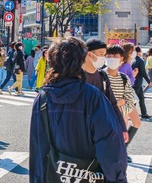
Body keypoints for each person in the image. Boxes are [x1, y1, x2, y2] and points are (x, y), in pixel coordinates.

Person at [28, 38, 128, 183]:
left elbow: (37, 149)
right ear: (80, 62)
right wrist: (119, 179)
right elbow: (110, 145)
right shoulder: (93, 96)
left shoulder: (42, 98)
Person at [82, 38, 128, 141]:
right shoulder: (78, 76)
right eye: (101, 54)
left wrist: (122, 127)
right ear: (89, 54)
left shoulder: (102, 76)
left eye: (104, 55)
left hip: (100, 129)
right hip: (82, 130)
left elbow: (112, 103)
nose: (103, 58)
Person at [105, 45, 140, 153]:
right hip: (105, 116)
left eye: (115, 56)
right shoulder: (100, 76)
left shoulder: (123, 78)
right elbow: (101, 100)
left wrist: (119, 108)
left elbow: (129, 100)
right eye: (109, 56)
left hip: (120, 113)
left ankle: (122, 149)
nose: (112, 58)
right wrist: (118, 103)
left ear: (122, 59)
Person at [132, 46, 150, 118]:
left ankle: (144, 113)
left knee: (141, 98)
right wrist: (149, 81)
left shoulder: (131, 60)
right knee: (134, 99)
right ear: (138, 52)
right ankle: (131, 114)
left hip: (133, 81)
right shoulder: (140, 60)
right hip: (138, 82)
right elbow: (143, 72)